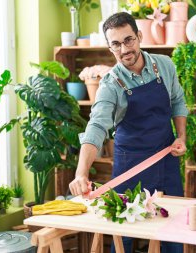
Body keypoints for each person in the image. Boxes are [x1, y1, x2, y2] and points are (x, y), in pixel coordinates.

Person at [69, 12, 188, 253]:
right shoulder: (110, 84)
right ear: (109, 46)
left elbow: (177, 100)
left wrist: (181, 136)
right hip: (130, 165)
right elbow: (96, 127)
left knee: (173, 229)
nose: (124, 49)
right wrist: (81, 172)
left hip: (166, 160)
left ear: (139, 36)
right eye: (115, 44)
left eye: (128, 40)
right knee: (123, 233)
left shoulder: (164, 65)